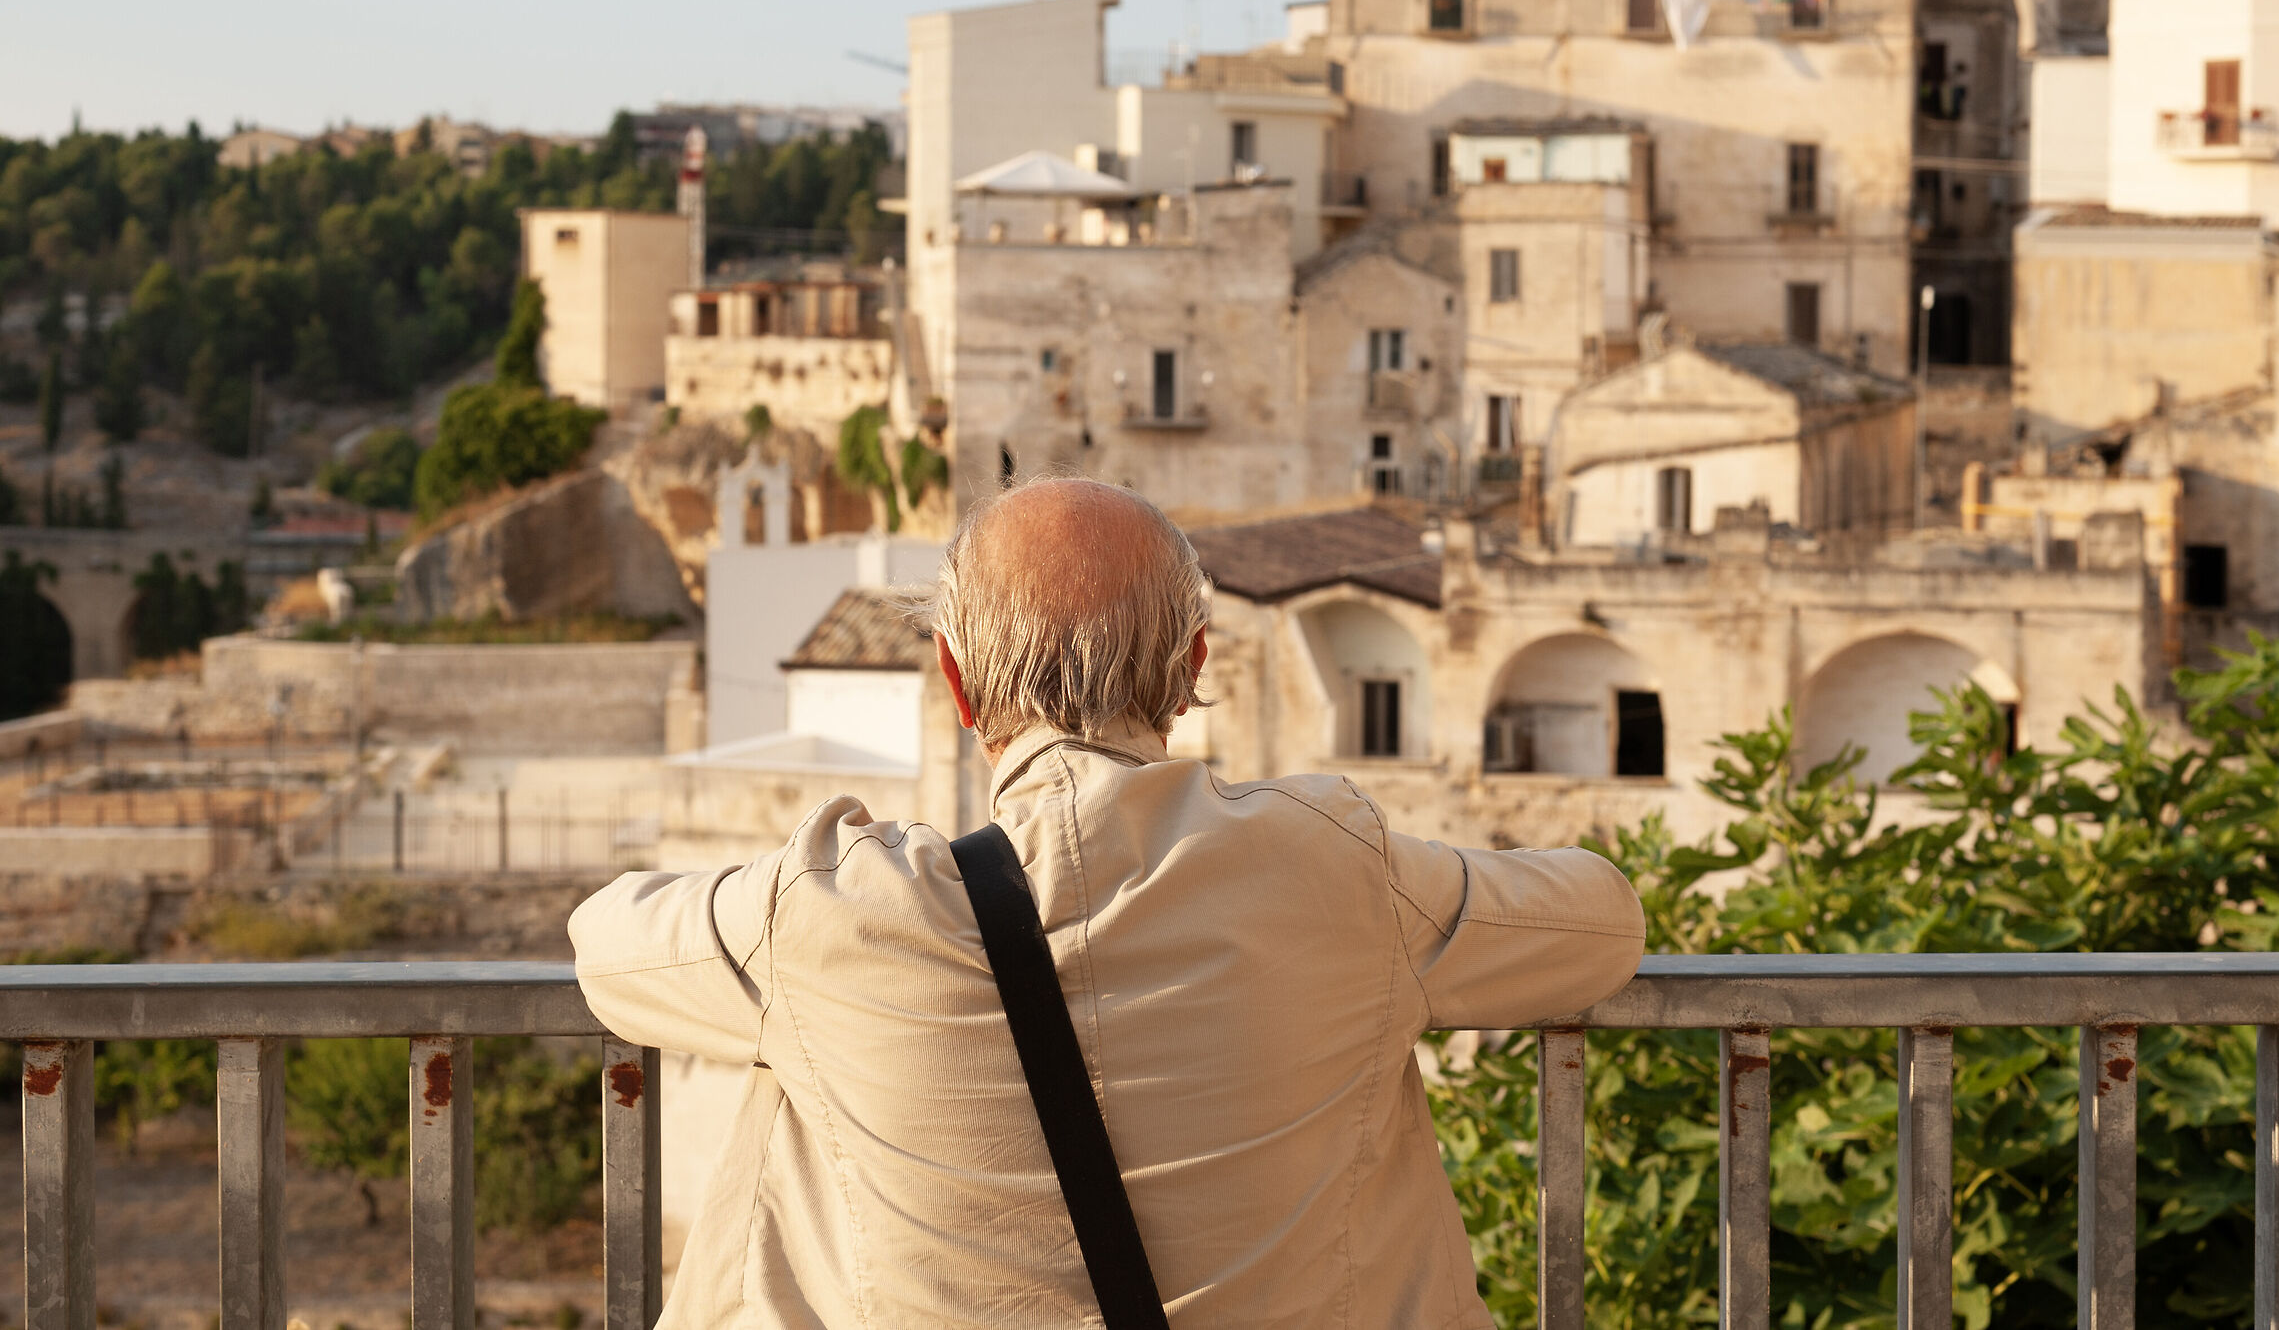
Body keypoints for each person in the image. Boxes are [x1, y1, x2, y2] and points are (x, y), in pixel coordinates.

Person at [572, 478, 1646, 1328]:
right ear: (1189, 671)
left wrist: (809, 892)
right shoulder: (1332, 869)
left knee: (799, 1059)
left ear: (955, 684)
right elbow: (1599, 925)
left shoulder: (838, 911)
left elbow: (606, 944)